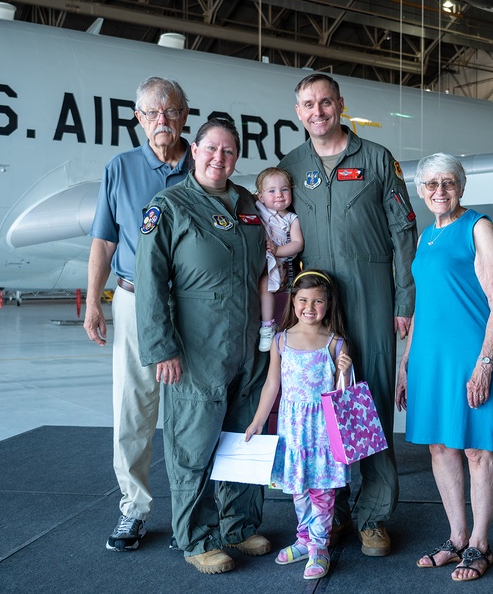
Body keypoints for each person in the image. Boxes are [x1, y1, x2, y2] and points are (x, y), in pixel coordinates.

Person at [278, 73, 417, 557]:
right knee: (320, 407)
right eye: (308, 104)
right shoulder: (291, 166)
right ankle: (327, 513)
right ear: (299, 111)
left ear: (341, 105)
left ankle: (373, 515)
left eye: (325, 102)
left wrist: (404, 301)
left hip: (371, 295)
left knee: (369, 402)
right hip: (316, 306)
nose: (317, 111)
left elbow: (403, 232)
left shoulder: (376, 159)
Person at [134, 117, 272, 575]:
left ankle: (238, 525)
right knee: (193, 442)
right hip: (197, 346)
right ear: (194, 150)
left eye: (229, 151)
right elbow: (150, 284)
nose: (219, 158)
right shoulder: (169, 206)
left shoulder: (249, 205)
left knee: (244, 437)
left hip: (251, 344)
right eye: (211, 149)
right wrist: (161, 347)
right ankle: (194, 536)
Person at [84, 76, 192, 552]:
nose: (161, 121)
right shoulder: (120, 168)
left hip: (194, 302)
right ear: (138, 119)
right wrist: (94, 301)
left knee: (196, 407)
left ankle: (195, 511)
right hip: (132, 300)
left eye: (170, 111)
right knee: (133, 408)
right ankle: (134, 509)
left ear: (185, 115)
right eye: (152, 113)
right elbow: (104, 242)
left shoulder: (206, 163)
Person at [394, 152, 493, 583]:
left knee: (476, 449)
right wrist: (406, 362)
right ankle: (457, 537)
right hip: (428, 356)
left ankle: (480, 544)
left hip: (469, 356)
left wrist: (484, 364)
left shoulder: (478, 228)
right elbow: (423, 304)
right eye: (430, 184)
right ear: (421, 190)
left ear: (460, 186)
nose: (439, 191)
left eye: (447, 183)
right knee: (440, 447)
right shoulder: (426, 236)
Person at [244, 269, 352, 580]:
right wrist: (257, 421)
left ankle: (320, 546)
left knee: (321, 489)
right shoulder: (280, 340)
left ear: (328, 305)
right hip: (293, 429)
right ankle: (304, 539)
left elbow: (341, 396)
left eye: (318, 301)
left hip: (322, 430)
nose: (309, 307)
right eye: (303, 300)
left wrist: (345, 370)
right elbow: (271, 385)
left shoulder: (335, 343)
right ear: (293, 302)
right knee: (299, 488)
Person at [255, 167, 304, 351]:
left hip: (278, 262)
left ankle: (268, 327)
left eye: (285, 189)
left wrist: (278, 250)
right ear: (260, 197)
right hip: (259, 259)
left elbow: (298, 243)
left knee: (266, 284)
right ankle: (266, 324)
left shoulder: (292, 219)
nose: (279, 195)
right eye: (272, 191)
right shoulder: (258, 209)